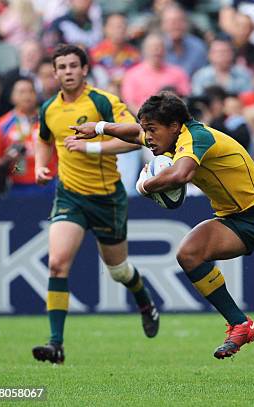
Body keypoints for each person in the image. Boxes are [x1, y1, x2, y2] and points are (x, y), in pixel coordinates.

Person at [70, 91, 254, 380]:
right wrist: (100, 128)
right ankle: (240, 324)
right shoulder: (170, 136)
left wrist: (144, 185)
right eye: (147, 129)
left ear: (174, 125)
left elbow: (180, 175)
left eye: (152, 130)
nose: (148, 137)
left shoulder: (196, 138)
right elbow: (133, 133)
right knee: (189, 253)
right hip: (233, 218)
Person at [32, 44, 160, 365]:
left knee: (118, 270)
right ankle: (56, 343)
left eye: (73, 65)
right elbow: (45, 139)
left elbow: (137, 136)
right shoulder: (49, 108)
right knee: (57, 263)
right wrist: (39, 166)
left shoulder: (102, 101)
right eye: (61, 67)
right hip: (70, 195)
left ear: (85, 69)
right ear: (55, 72)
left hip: (106, 199)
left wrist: (91, 148)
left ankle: (143, 299)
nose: (68, 72)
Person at [0, 78, 56, 196]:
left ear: (36, 95)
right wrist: (8, 158)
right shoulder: (2, 124)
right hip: (18, 184)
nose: (27, 96)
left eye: (31, 91)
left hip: (49, 181)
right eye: (21, 92)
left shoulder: (49, 119)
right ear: (12, 97)